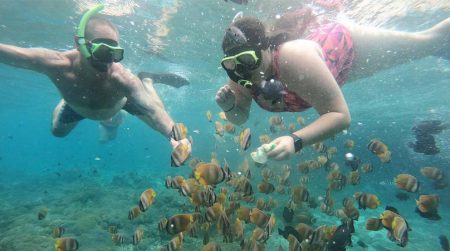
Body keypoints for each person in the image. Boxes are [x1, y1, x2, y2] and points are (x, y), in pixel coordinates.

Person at [215, 10, 449, 161]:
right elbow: (239, 118)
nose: (241, 70)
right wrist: (229, 107)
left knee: (428, 42)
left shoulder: (294, 59)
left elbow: (340, 115)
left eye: (247, 59)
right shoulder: (240, 72)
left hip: (348, 46)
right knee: (428, 49)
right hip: (329, 70)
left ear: (266, 47)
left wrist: (295, 141)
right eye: (231, 64)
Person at [0, 4, 191, 158]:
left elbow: (154, 111)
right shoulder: (57, 64)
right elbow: (13, 55)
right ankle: (77, 106)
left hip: (120, 102)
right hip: (77, 105)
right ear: (79, 43)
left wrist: (177, 139)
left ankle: (147, 80)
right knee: (57, 132)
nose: (109, 61)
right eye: (102, 51)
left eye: (115, 53)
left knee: (155, 111)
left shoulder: (122, 78)